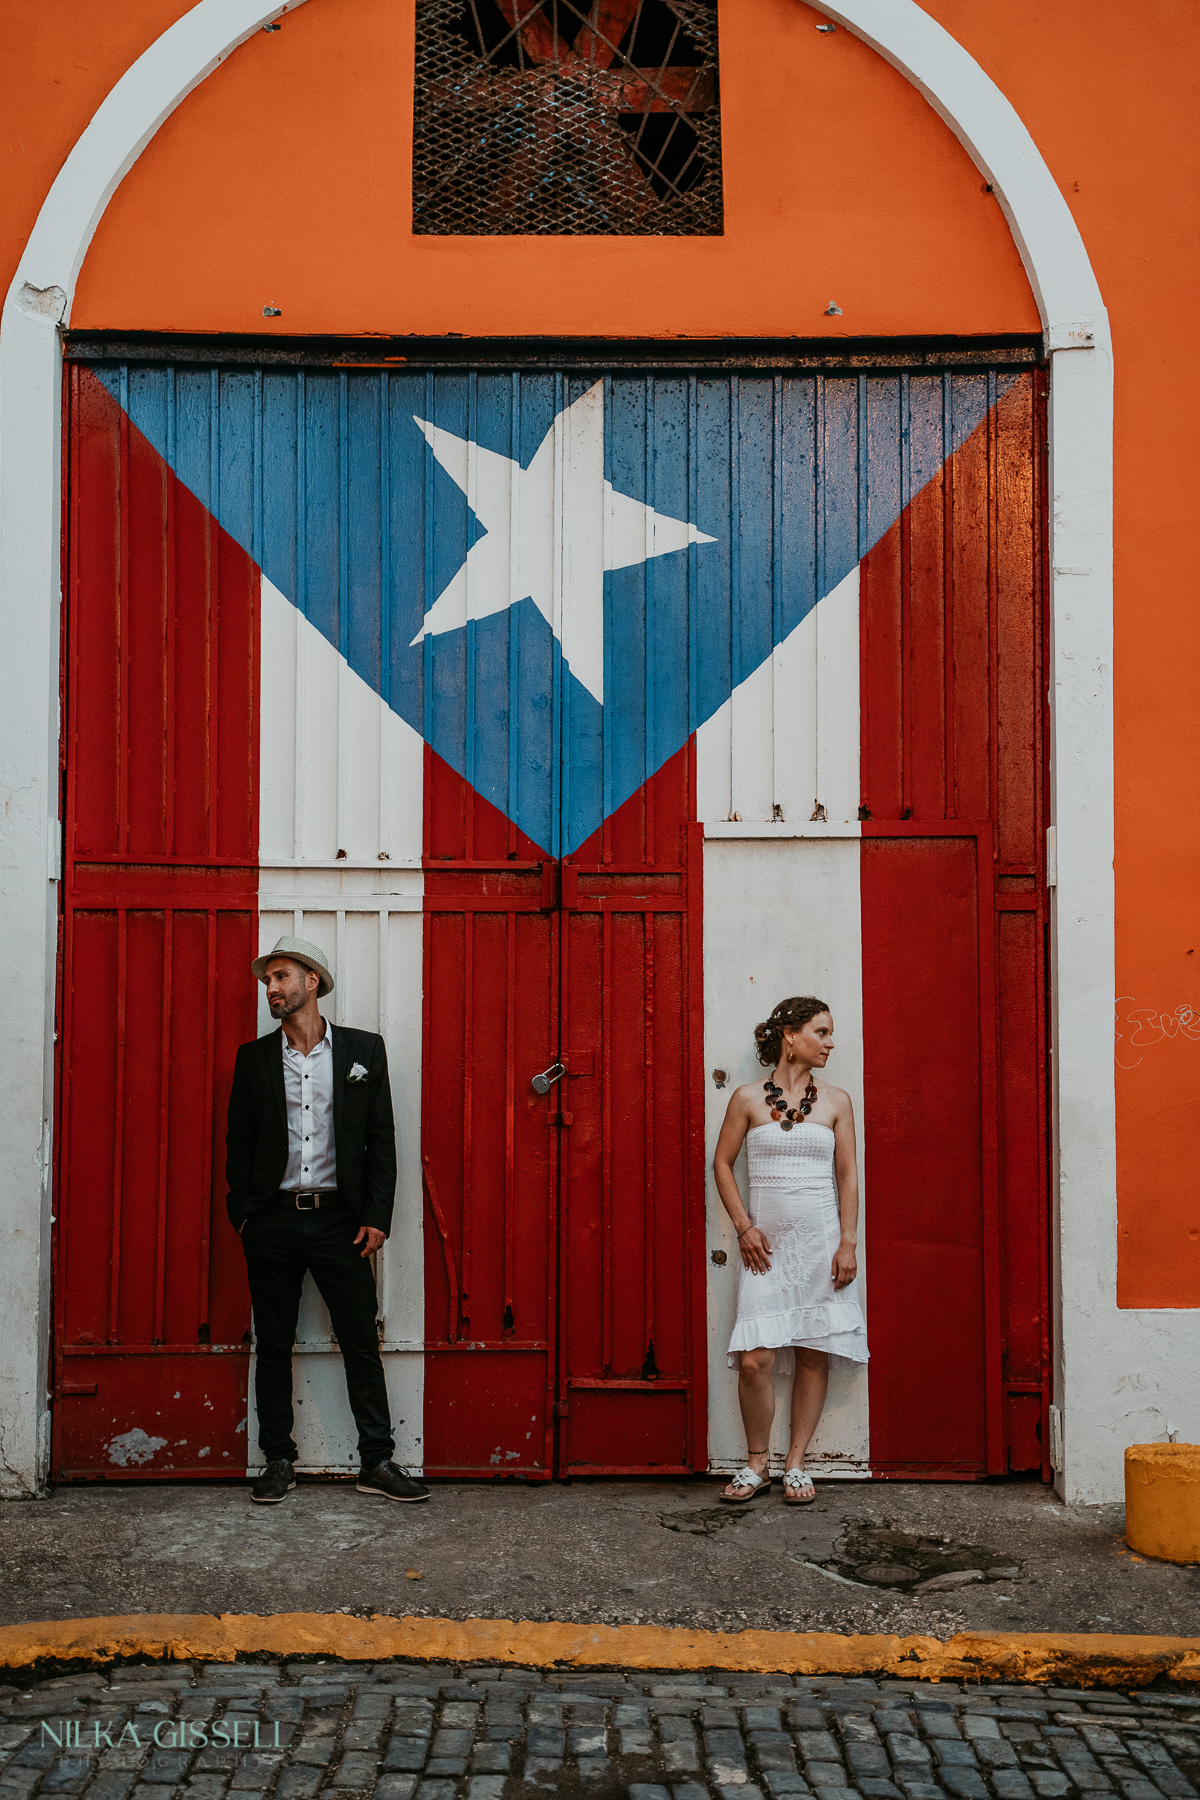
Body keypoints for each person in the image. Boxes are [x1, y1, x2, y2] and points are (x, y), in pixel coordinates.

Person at [225, 934, 430, 1506]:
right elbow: (238, 1143)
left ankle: (377, 1460)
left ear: (311, 982)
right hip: (273, 1224)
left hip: (343, 1224)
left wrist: (377, 1217)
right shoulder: (254, 1059)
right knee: (273, 1343)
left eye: (282, 977)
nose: (272, 988)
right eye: (268, 980)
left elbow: (381, 1140)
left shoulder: (365, 1051)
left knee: (361, 1339)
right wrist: (245, 1216)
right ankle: (278, 1460)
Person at [713, 995, 868, 1505]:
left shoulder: (837, 1101)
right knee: (756, 1359)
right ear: (790, 1035)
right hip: (766, 1249)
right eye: (821, 1032)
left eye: (830, 1033)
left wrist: (848, 1241)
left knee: (812, 1351)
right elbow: (722, 1163)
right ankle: (758, 1463)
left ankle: (797, 1463)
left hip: (821, 1243)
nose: (830, 1042)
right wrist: (742, 1227)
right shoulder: (747, 1098)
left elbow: (847, 1174)